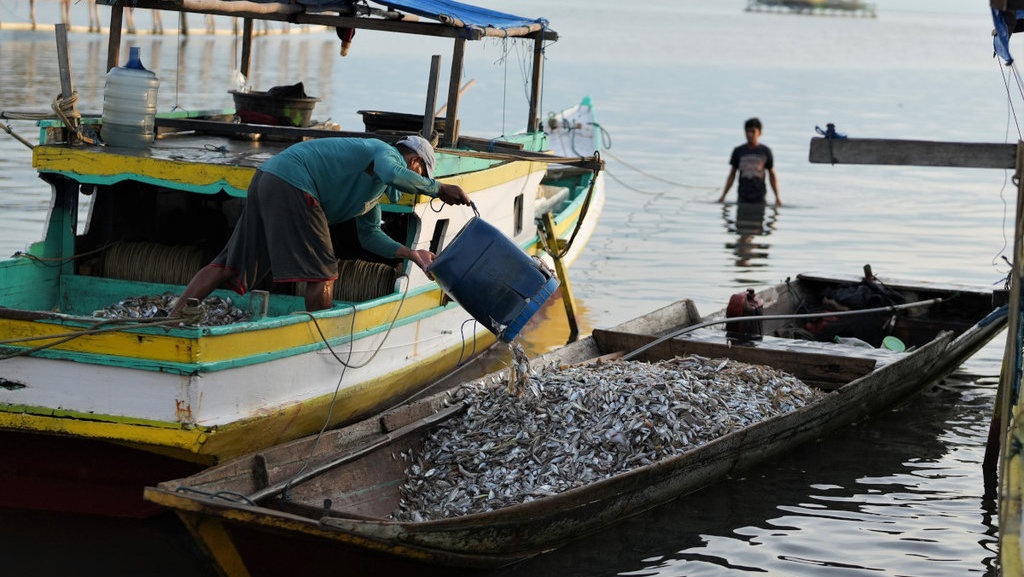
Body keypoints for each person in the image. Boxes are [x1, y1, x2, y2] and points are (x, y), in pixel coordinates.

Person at [169, 135, 471, 317]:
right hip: (294, 183)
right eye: (420, 172)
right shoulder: (385, 152)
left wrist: (411, 253)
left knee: (228, 264)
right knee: (323, 276)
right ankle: (319, 341)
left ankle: (176, 314)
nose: (417, 183)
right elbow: (393, 173)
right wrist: (439, 188)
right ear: (414, 159)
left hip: (268, 178)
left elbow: (369, 236)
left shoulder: (373, 191)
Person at [717, 117, 782, 206]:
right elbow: (732, 174)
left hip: (759, 198)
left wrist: (777, 197)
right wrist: (723, 195)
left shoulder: (765, 151)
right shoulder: (739, 151)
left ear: (759, 132)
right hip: (743, 197)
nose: (750, 134)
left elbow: (772, 174)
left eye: (753, 131)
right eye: (747, 131)